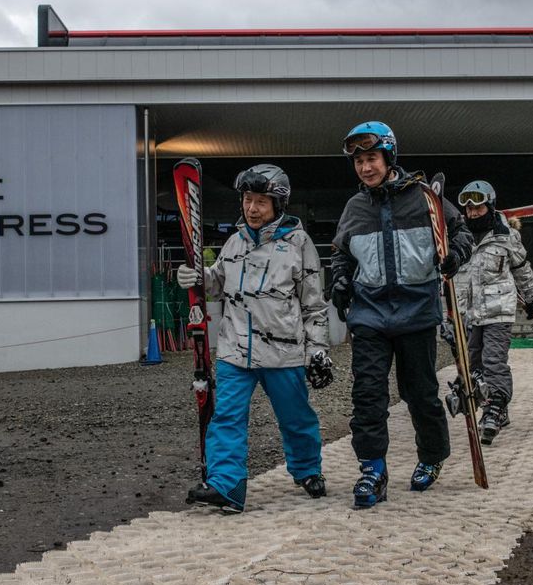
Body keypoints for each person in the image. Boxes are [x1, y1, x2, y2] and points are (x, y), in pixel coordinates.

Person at [329, 121, 472, 509]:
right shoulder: (355, 207)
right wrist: (340, 280)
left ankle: (432, 455)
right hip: (370, 316)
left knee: (420, 394)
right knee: (368, 396)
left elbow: (461, 233)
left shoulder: (425, 198)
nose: (364, 167)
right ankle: (372, 470)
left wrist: (455, 256)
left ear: (389, 157)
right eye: (358, 161)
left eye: (371, 158)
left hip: (417, 313)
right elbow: (341, 253)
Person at [177, 164, 333, 513]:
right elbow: (217, 283)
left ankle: (308, 470)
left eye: (261, 201)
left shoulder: (298, 243)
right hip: (235, 350)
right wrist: (195, 276)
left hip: (284, 351)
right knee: (227, 416)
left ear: (278, 204)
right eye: (248, 200)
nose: (252, 209)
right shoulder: (235, 241)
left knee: (295, 417)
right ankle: (227, 485)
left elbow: (313, 303)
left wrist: (318, 350)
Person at [452, 180, 533, 445]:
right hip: (469, 312)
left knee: (494, 361)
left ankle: (495, 409)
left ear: (489, 206)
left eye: (478, 208)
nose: (473, 213)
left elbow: (522, 269)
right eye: (468, 209)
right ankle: (484, 401)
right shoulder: (458, 237)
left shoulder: (506, 236)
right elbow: (450, 276)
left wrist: (532, 303)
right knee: (472, 364)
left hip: (499, 310)